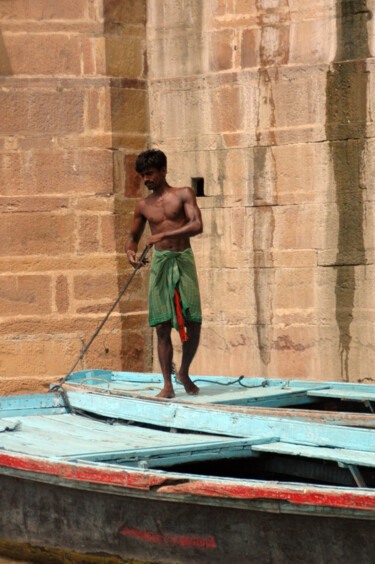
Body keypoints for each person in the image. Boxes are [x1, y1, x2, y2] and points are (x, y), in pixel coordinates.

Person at [125, 149, 203, 398]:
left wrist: (164, 235)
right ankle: (167, 385)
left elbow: (197, 225)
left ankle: (184, 372)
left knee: (193, 321)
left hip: (183, 259)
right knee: (161, 325)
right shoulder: (143, 206)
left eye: (150, 174)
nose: (146, 179)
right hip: (160, 263)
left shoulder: (183, 194)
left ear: (163, 171)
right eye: (142, 175)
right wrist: (130, 251)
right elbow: (132, 237)